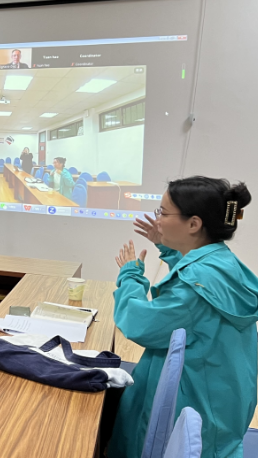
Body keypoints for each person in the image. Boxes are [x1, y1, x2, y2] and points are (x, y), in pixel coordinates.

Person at [109, 177, 257, 458]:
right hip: (221, 402)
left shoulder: (194, 288)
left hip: (193, 405)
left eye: (163, 213)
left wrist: (130, 276)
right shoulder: (220, 261)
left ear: (193, 224)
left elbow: (140, 323)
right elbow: (194, 289)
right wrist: (168, 247)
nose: (158, 220)